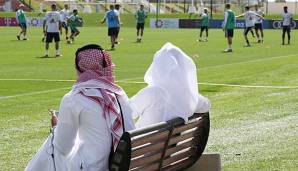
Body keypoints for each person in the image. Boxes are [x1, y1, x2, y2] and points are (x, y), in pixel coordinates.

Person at [25, 44, 135, 171]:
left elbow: (63, 148)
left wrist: (56, 127)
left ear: (79, 68)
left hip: (94, 168)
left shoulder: (73, 98)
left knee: (51, 145)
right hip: (125, 164)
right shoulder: (120, 94)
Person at [129, 43, 210, 128]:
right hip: (172, 140)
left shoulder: (153, 92)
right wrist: (190, 91)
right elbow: (206, 105)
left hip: (144, 140)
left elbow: (127, 113)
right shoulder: (187, 96)